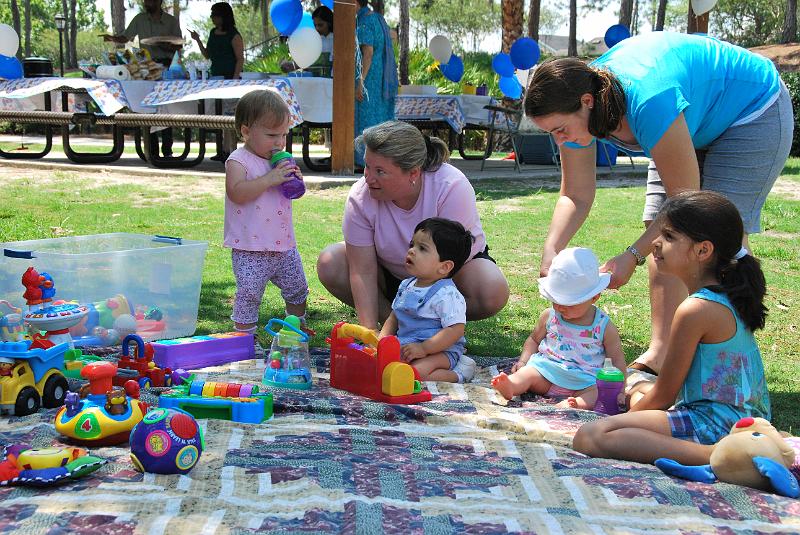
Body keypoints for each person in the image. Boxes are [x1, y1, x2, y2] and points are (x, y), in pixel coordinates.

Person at [524, 32, 792, 378]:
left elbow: (684, 205)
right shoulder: (578, 110)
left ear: (587, 102)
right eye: (551, 133)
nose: (559, 140)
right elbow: (575, 193)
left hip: (751, 110)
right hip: (689, 119)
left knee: (714, 239)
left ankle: (731, 363)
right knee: (665, 244)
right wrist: (552, 248)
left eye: (560, 129)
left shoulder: (648, 101)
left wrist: (632, 256)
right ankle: (661, 354)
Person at [572, 190, 771, 466]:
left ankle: (720, 456)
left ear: (703, 250)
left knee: (591, 435)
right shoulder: (728, 295)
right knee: (637, 387)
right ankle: (734, 449)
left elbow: (663, 396)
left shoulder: (695, 309)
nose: (655, 243)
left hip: (713, 426)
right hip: (746, 421)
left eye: (668, 236)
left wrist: (621, 422)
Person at [316, 120, 509, 332]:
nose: (368, 178)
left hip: (448, 275)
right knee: (330, 262)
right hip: (389, 274)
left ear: (413, 173)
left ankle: (436, 326)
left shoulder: (450, 186)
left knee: (492, 290)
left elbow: (447, 261)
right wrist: (369, 332)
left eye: (380, 171)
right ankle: (394, 325)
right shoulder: (360, 196)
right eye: (367, 166)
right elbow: (362, 271)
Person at [491, 247, 625, 409]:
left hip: (584, 380)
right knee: (528, 374)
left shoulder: (603, 326)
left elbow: (616, 359)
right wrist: (523, 361)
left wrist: (620, 390)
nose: (560, 307)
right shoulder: (550, 316)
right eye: (556, 301)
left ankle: (576, 404)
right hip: (547, 372)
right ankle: (511, 386)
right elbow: (534, 340)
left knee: (598, 392)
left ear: (594, 297)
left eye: (569, 304)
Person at [224, 89, 310, 336]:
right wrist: (270, 179)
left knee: (297, 288)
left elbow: (290, 194)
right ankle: (244, 338)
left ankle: (295, 330)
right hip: (251, 247)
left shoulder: (279, 161)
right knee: (249, 293)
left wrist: (295, 181)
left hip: (283, 245)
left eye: (283, 135)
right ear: (246, 131)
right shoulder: (239, 160)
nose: (279, 142)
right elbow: (236, 192)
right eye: (272, 135)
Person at [379, 218, 478, 384]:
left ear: (444, 267)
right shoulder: (406, 285)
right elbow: (394, 317)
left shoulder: (447, 294)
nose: (412, 251)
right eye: (412, 244)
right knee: (384, 367)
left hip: (441, 351)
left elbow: (455, 330)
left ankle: (460, 373)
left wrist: (424, 348)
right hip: (408, 346)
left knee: (415, 374)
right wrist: (383, 340)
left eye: (422, 248)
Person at [102, 0, 183, 157]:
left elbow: (178, 45)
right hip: (146, 67)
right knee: (148, 107)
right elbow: (125, 37)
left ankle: (167, 150)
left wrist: (165, 45)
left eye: (150, 0)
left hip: (167, 67)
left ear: (159, 2)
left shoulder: (171, 21)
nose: (147, 3)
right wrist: (112, 38)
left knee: (165, 107)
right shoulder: (140, 18)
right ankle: (151, 151)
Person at [189, 2, 244, 162]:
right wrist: (197, 40)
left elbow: (240, 58)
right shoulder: (213, 33)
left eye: (215, 15)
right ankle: (222, 150)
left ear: (223, 16)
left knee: (228, 115)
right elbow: (207, 55)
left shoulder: (234, 34)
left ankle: (229, 151)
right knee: (218, 115)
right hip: (214, 81)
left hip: (230, 81)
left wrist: (235, 79)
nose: (212, 18)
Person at [355, 0, 398, 166]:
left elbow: (368, 53)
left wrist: (361, 81)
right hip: (381, 80)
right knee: (381, 122)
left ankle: (364, 161)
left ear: (354, 2)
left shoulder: (365, 21)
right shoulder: (378, 18)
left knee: (367, 122)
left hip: (369, 80)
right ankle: (382, 161)